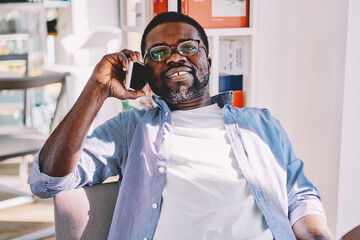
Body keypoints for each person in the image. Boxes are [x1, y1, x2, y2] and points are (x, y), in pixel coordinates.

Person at [28, 12, 333, 240]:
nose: (175, 57)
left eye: (187, 46)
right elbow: (47, 182)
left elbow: (300, 196)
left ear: (208, 62)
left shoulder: (260, 123)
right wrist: (97, 89)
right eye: (159, 53)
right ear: (146, 70)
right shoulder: (130, 129)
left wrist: (317, 235)